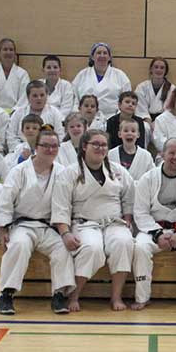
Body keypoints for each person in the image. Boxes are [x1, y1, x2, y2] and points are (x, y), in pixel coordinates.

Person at [0, 128, 75, 315]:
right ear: (36, 147)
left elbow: (65, 204)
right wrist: (3, 229)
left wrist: (66, 231)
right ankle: (6, 294)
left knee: (63, 248)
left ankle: (59, 294)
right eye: (46, 145)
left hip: (48, 226)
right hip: (23, 225)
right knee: (19, 245)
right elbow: (6, 200)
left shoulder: (62, 172)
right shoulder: (19, 171)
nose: (50, 150)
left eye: (54, 146)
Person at [52, 129, 136, 312]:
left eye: (104, 145)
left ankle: (116, 296)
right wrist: (65, 233)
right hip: (84, 223)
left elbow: (129, 198)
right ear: (84, 146)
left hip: (114, 222)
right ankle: (74, 295)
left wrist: (128, 219)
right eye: (95, 144)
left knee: (124, 242)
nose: (100, 148)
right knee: (92, 248)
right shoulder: (70, 173)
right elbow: (61, 206)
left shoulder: (117, 170)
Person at [133, 138, 176, 311]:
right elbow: (141, 212)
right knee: (140, 247)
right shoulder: (147, 179)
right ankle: (142, 297)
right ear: (162, 155)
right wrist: (157, 234)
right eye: (171, 153)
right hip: (153, 229)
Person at [72, 42, 132, 118]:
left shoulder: (120, 76)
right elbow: (75, 100)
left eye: (105, 53)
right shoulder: (82, 75)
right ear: (92, 57)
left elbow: (127, 100)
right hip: (85, 118)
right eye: (98, 53)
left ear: (109, 57)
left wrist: (118, 118)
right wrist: (78, 117)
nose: (102, 55)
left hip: (112, 118)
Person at [5, 81, 64, 154]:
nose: (39, 98)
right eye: (35, 96)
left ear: (47, 96)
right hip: (20, 151)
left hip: (47, 151)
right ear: (28, 97)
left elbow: (60, 135)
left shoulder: (55, 113)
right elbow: (11, 135)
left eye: (42, 95)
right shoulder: (18, 113)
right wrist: (21, 150)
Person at [134, 57, 172, 122]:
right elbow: (141, 110)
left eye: (162, 68)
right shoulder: (141, 87)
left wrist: (158, 123)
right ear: (151, 69)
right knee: (145, 126)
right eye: (156, 67)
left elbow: (169, 111)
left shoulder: (171, 89)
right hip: (145, 120)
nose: (159, 70)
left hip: (164, 121)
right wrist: (149, 122)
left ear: (166, 71)